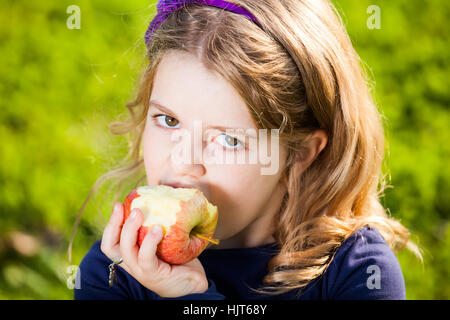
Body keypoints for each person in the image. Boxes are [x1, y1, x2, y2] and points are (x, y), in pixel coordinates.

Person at [72, 0, 422, 300]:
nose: (183, 160)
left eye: (229, 140)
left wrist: (193, 299)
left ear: (301, 152)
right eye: (168, 121)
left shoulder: (356, 273)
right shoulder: (113, 273)